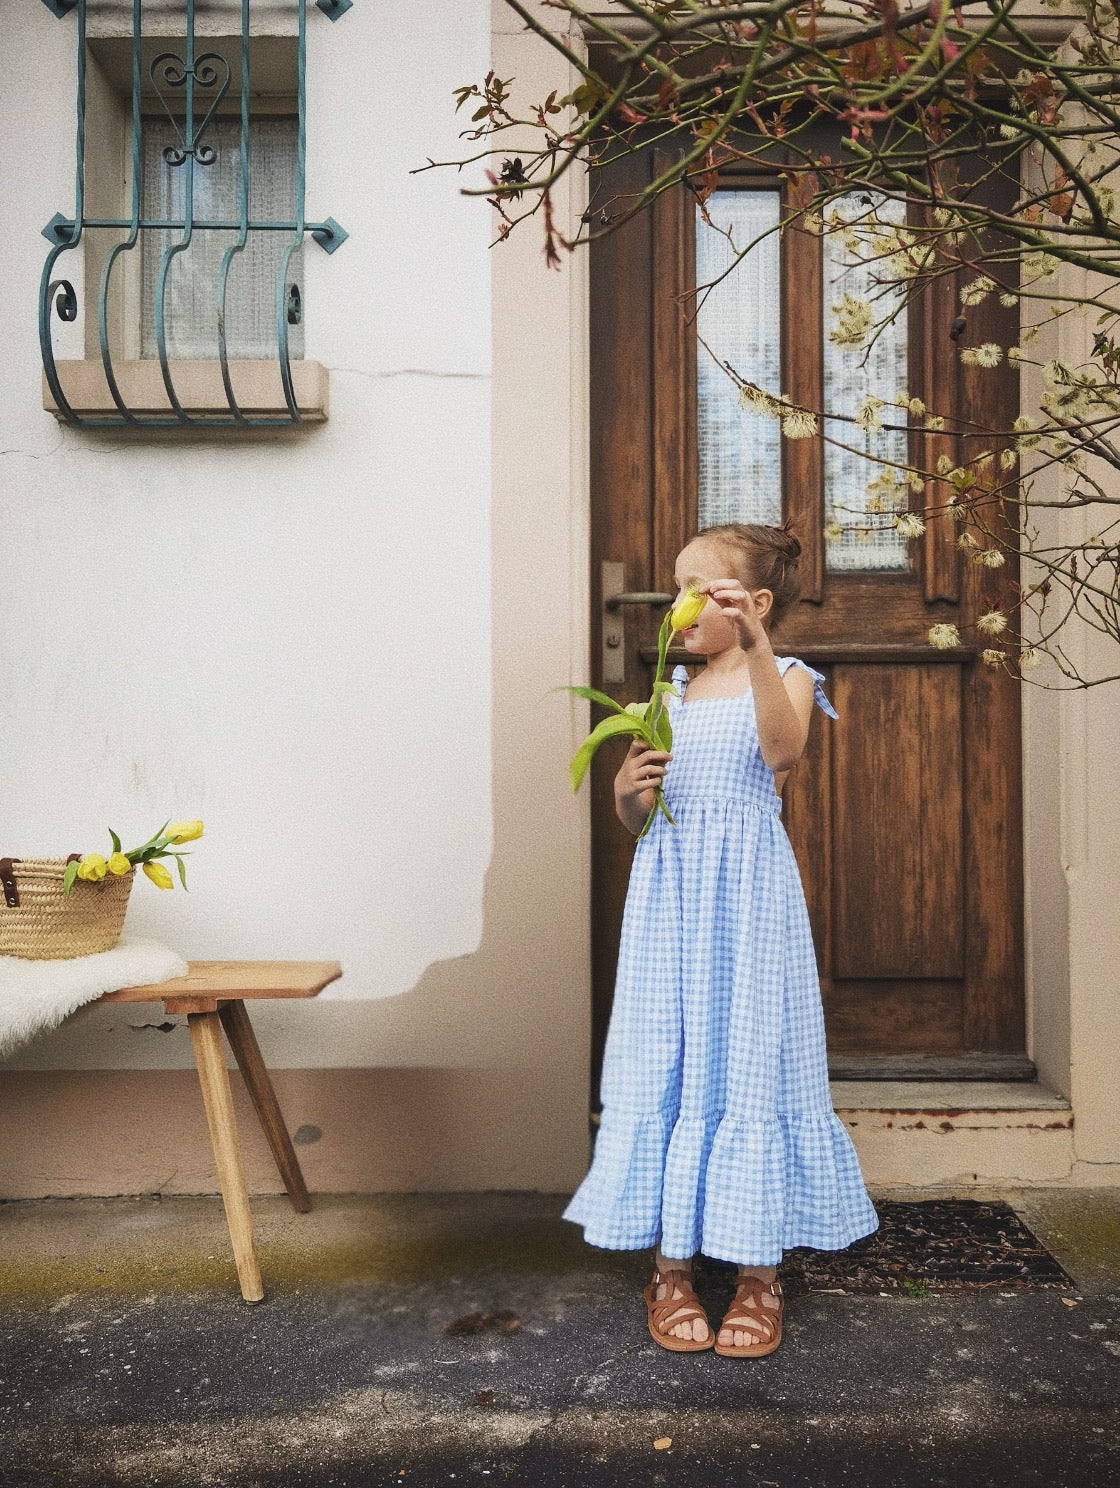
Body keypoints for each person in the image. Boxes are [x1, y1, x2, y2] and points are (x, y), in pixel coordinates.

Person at [563, 521, 878, 1357]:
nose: (679, 605)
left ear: (754, 603)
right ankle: (669, 1268)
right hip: (670, 906)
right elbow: (640, 820)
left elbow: (782, 752)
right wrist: (628, 791)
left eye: (700, 590)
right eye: (676, 589)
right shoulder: (666, 696)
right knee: (668, 1053)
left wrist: (760, 647)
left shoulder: (793, 680)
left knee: (750, 1057)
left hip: (746, 904)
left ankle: (756, 1275)